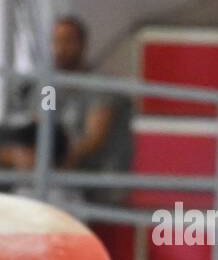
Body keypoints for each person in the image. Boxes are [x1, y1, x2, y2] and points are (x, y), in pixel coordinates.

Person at [0, 16, 133, 203]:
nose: (61, 48)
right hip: (52, 171)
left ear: (83, 44)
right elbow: (42, 124)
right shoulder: (50, 87)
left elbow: (93, 140)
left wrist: (52, 162)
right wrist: (24, 157)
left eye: (68, 41)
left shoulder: (100, 86)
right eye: (56, 40)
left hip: (89, 177)